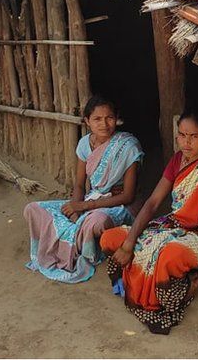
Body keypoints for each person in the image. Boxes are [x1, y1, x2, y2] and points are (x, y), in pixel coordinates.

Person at [100, 110, 198, 334]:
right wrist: (128, 243)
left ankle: (178, 287)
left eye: (194, 136)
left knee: (167, 257)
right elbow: (153, 203)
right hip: (170, 225)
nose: (186, 142)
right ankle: (143, 284)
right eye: (182, 135)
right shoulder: (177, 160)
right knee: (111, 238)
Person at [24, 96, 143, 283]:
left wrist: (85, 207)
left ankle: (85, 245)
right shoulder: (84, 144)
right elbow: (79, 184)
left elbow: (128, 196)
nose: (104, 124)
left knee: (96, 221)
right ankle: (77, 236)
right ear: (87, 121)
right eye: (97, 119)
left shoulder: (128, 146)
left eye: (109, 118)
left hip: (119, 204)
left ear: (116, 118)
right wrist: (75, 206)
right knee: (34, 209)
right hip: (91, 199)